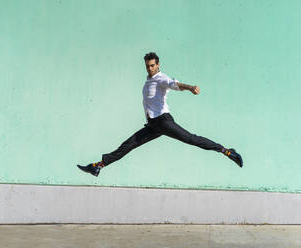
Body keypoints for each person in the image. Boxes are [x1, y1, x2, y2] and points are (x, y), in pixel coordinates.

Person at [77, 52, 243, 177]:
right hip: (154, 125)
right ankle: (98, 166)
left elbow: (174, 84)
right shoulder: (149, 80)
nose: (150, 68)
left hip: (164, 122)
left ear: (158, 65)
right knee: (128, 144)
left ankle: (227, 152)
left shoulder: (160, 78)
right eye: (147, 66)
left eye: (152, 66)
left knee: (191, 139)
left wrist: (190, 87)